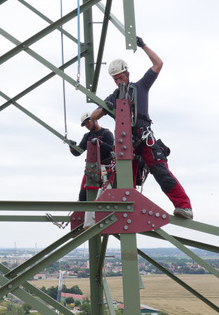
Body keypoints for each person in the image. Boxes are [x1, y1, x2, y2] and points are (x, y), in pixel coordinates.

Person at [90, 36, 193, 219]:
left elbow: (158, 63)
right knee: (122, 180)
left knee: (160, 171)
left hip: (143, 138)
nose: (118, 82)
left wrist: (143, 45)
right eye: (115, 79)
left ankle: (184, 206)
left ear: (127, 74)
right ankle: (121, 211)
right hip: (126, 144)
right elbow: (94, 115)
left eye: (120, 77)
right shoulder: (113, 97)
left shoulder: (140, 87)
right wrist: (107, 108)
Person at [69, 112, 115, 201]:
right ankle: (84, 212)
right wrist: (72, 147)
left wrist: (100, 143)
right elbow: (78, 152)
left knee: (104, 192)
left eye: (88, 122)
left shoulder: (106, 133)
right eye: (85, 124)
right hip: (91, 169)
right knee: (83, 195)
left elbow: (112, 149)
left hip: (104, 168)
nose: (87, 125)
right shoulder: (87, 136)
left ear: (95, 120)